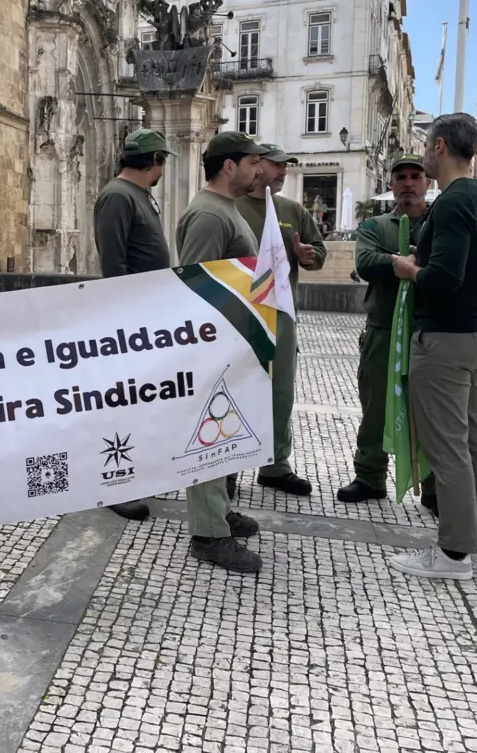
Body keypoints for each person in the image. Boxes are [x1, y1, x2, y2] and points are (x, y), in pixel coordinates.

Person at [389, 113, 477, 581]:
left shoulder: (455, 201)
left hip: (447, 338)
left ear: (439, 146)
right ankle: (476, 537)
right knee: (475, 436)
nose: (421, 154)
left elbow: (445, 277)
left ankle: (453, 553)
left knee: (450, 446)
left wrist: (408, 268)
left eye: (425, 145)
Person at [175, 131, 266, 573]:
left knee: (227, 432)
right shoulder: (210, 215)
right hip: (215, 344)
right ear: (229, 166)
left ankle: (220, 511)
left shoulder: (225, 209)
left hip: (236, 341)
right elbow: (196, 286)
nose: (259, 171)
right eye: (252, 164)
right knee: (209, 435)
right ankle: (208, 534)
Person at [336, 152, 436, 511]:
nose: (408, 183)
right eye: (401, 177)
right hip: (382, 330)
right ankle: (369, 476)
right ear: (390, 184)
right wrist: (398, 262)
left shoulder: (438, 223)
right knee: (376, 406)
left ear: (427, 182)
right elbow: (364, 262)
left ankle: (434, 486)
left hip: (428, 333)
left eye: (415, 176)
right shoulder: (375, 227)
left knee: (431, 412)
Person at [92, 128, 176, 522]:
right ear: (154, 161)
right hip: (130, 320)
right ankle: (115, 484)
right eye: (162, 162)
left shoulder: (140, 195)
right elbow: (114, 263)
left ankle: (134, 471)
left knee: (141, 401)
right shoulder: (116, 196)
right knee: (121, 405)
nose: (162, 169)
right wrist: (125, 322)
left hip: (148, 315)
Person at [235, 143, 327, 497]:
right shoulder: (235, 206)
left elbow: (318, 252)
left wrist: (309, 255)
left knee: (281, 390)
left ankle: (275, 466)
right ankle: (227, 467)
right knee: (237, 387)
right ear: (258, 167)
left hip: (283, 316)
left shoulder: (293, 210)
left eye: (287, 167)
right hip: (242, 315)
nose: (284, 172)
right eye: (278, 166)